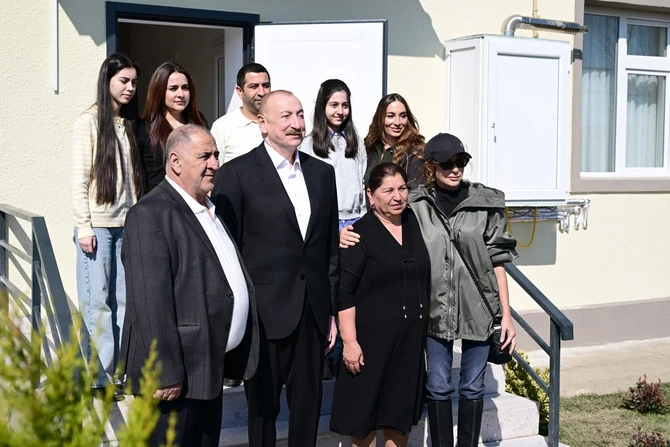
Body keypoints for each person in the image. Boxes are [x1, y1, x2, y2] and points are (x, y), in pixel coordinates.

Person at [340, 133, 518, 447]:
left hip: (479, 307)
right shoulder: (417, 204)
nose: (455, 168)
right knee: (438, 386)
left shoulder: (486, 203)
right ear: (431, 167)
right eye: (447, 163)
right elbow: (381, 219)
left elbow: (498, 262)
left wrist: (506, 315)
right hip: (436, 309)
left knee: (473, 387)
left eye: (461, 161)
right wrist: (342, 233)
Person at [212, 90, 339, 447]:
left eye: (299, 115)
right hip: (264, 316)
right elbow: (227, 250)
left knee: (308, 409)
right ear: (262, 123)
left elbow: (329, 249)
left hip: (312, 312)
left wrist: (330, 310)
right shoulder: (237, 174)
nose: (296, 123)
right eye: (285, 116)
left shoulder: (322, 173)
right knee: (262, 411)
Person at [120, 124, 259, 447]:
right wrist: (166, 371)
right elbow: (149, 302)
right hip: (172, 379)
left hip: (206, 369)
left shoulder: (208, 209)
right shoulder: (150, 213)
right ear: (175, 161)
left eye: (216, 155)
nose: (215, 164)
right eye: (204, 156)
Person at [329, 163, 429, 447]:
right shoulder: (358, 234)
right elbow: (344, 293)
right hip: (369, 346)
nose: (397, 196)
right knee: (365, 420)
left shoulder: (413, 223)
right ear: (371, 196)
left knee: (399, 415)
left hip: (408, 344)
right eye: (388, 190)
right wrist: (350, 342)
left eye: (402, 188)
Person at [71, 53, 145, 400]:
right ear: (108, 81)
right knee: (97, 303)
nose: (130, 88)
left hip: (127, 226)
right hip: (98, 229)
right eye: (123, 81)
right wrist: (84, 227)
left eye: (134, 82)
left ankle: (116, 373)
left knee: (124, 302)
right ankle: (97, 379)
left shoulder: (128, 124)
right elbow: (78, 180)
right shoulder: (88, 122)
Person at [300, 79, 367, 378]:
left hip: (356, 222)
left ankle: (348, 352)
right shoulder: (309, 144)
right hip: (328, 224)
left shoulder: (355, 141)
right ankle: (329, 353)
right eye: (334, 105)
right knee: (329, 290)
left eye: (345, 105)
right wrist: (330, 230)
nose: (340, 111)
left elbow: (361, 182)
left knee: (351, 291)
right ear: (322, 106)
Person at [139, 62, 207, 192]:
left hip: (193, 199)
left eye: (185, 88)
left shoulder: (199, 122)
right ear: (159, 91)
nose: (181, 94)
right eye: (173, 88)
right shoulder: (144, 128)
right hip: (158, 200)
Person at [211, 63, 271, 164]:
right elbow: (214, 168)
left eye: (266, 86)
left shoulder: (280, 122)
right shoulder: (222, 127)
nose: (261, 92)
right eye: (254, 86)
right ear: (240, 91)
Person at [363, 93, 426, 190]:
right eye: (390, 116)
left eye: (403, 116)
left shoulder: (414, 152)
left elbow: (415, 193)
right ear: (380, 118)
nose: (397, 122)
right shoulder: (370, 148)